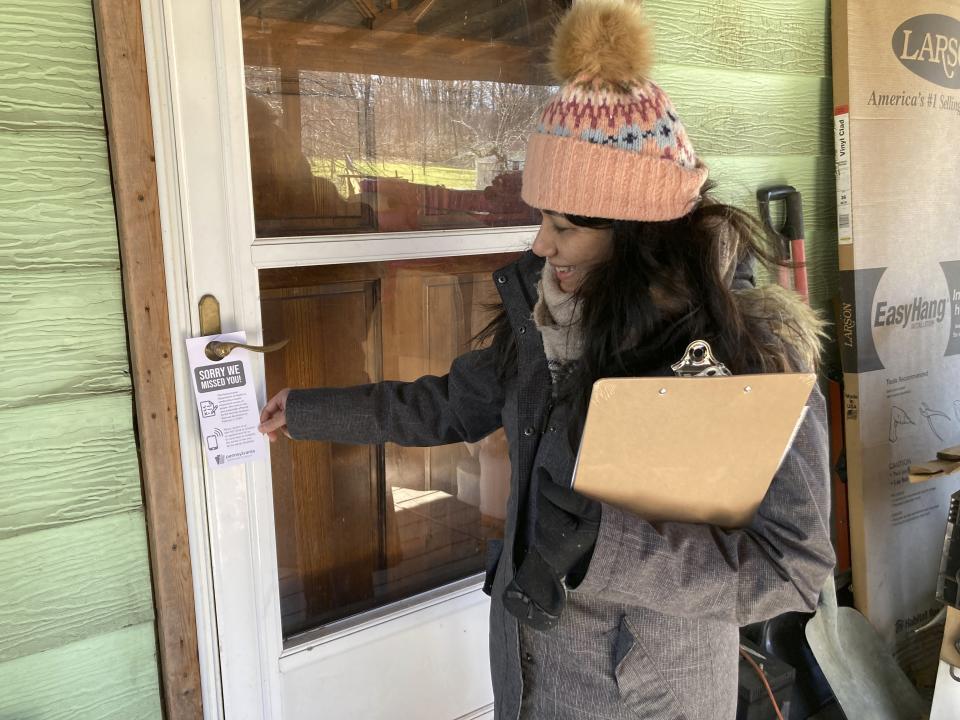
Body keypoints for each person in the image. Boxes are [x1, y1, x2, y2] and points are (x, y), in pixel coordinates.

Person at [258, 1, 836, 717]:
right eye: (540, 219)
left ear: (636, 233)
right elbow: (449, 404)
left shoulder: (747, 357)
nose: (540, 245)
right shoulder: (546, 319)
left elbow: (793, 568)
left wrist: (611, 549)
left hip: (648, 696)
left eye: (563, 226)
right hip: (531, 676)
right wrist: (310, 411)